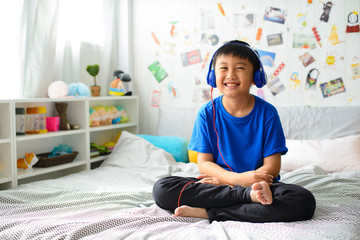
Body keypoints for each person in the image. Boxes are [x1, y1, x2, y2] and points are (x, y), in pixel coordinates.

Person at [152, 40, 316, 223]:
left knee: (303, 201)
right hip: (218, 184)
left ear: (256, 76)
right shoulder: (206, 113)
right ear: (214, 76)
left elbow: (272, 166)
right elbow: (204, 164)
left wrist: (249, 183)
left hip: (259, 186)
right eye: (223, 68)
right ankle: (246, 198)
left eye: (239, 68)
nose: (230, 75)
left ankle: (209, 213)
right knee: (162, 189)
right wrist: (234, 181)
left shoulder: (268, 113)